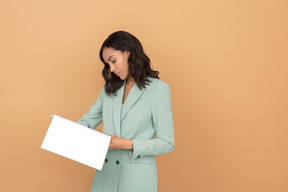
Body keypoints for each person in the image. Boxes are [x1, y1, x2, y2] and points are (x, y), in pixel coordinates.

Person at [75, 30, 175, 192]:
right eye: (108, 64)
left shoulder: (158, 89)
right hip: (105, 178)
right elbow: (86, 122)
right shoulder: (109, 90)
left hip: (137, 179)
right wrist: (64, 131)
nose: (112, 68)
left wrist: (127, 144)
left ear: (128, 52)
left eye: (113, 61)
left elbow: (167, 143)